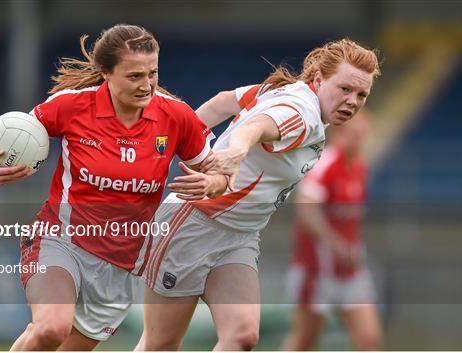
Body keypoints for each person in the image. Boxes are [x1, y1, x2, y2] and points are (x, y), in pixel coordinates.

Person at [0, 24, 227, 351]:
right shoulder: (71, 105)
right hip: (61, 241)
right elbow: (13, 137)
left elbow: (217, 173)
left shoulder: (177, 117)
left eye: (153, 74)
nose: (147, 85)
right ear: (105, 72)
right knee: (51, 328)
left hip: (120, 265)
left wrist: (213, 182)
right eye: (134, 76)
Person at [135, 38, 381, 350]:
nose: (352, 101)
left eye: (361, 94)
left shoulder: (285, 91)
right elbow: (257, 128)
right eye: (344, 89)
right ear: (318, 79)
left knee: (242, 337)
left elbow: (225, 102)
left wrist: (181, 145)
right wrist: (236, 150)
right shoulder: (303, 113)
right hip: (194, 224)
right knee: (161, 344)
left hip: (240, 236)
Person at [281, 112, 383, 351]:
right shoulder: (325, 164)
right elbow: (306, 209)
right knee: (304, 341)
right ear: (339, 133)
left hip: (350, 269)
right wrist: (335, 243)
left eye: (363, 136)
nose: (359, 140)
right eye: (354, 134)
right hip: (317, 269)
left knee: (369, 339)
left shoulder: (359, 167)